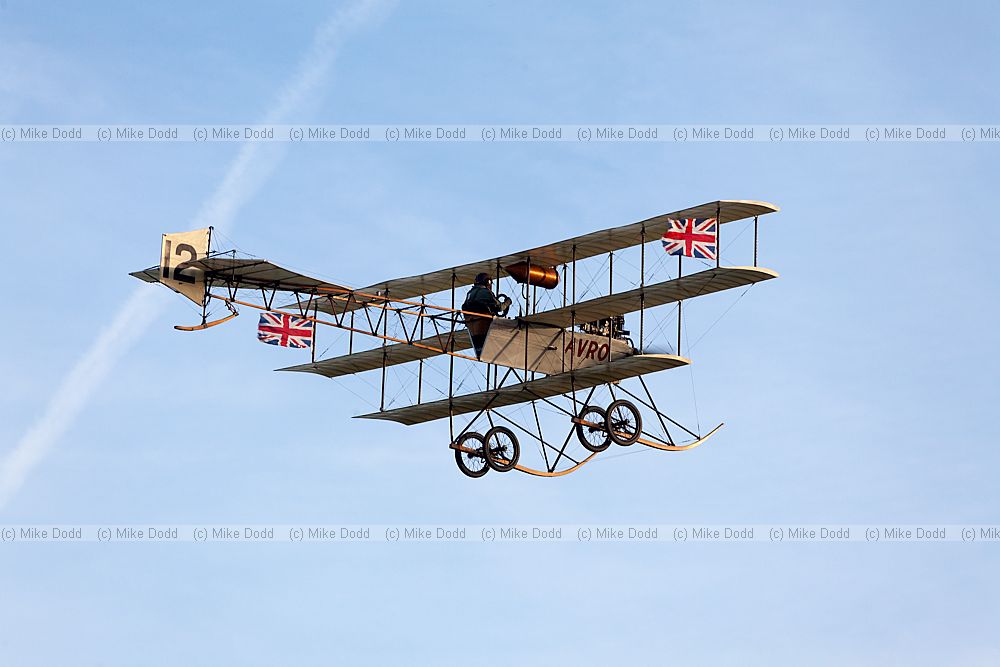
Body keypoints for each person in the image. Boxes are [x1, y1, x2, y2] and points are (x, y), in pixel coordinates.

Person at [462, 272, 503, 357]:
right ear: (488, 282)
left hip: (472, 324)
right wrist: (508, 302)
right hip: (483, 323)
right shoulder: (485, 292)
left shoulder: (470, 293)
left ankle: (480, 350)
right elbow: (499, 307)